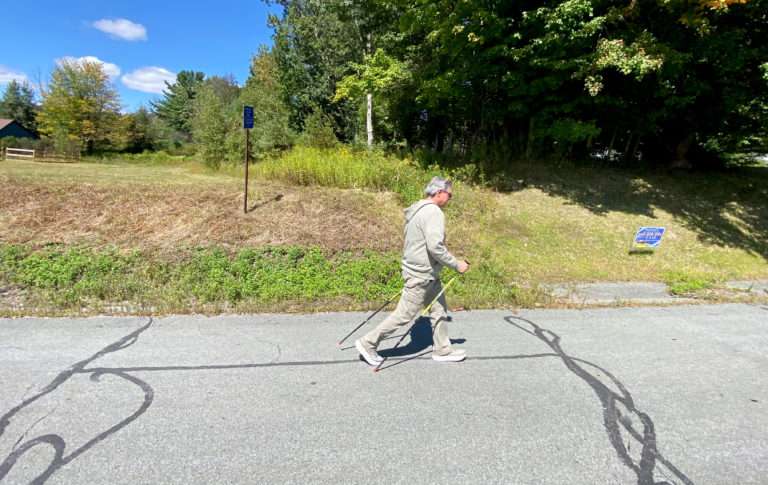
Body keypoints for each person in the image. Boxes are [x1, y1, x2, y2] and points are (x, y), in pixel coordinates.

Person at [356, 176, 470, 365]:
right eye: (449, 195)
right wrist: (457, 264)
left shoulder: (418, 209)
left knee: (439, 310)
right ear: (439, 192)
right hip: (421, 275)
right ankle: (367, 343)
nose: (450, 198)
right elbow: (435, 247)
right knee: (404, 315)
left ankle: (442, 350)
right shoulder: (434, 212)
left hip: (426, 273)